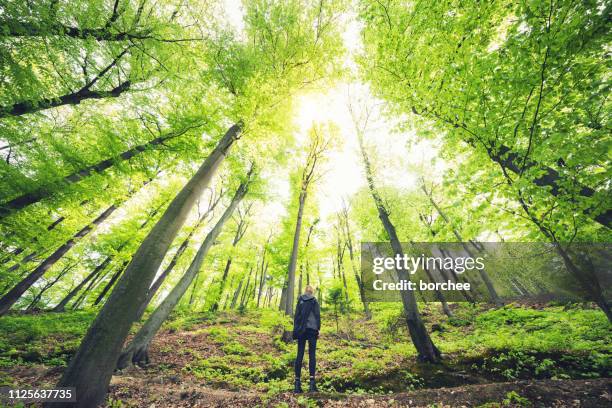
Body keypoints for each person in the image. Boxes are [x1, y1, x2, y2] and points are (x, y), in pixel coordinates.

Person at [292, 285, 321, 393]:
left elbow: (296, 316)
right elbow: (317, 315)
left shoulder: (300, 300)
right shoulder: (314, 300)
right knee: (312, 355)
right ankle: (312, 384)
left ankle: (297, 384)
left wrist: (296, 329)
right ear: (312, 292)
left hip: (301, 330)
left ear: (305, 291)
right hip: (312, 330)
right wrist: (318, 328)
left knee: (299, 354)